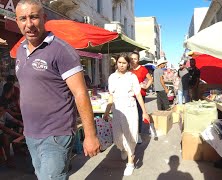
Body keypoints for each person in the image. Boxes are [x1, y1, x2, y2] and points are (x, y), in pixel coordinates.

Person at [15, 1, 100, 179]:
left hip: (55, 134)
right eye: (23, 18)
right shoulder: (21, 51)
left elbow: (80, 93)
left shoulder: (61, 50)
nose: (29, 24)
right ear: (17, 21)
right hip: (31, 133)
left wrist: (90, 135)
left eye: (34, 17)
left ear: (44, 18)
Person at [104, 53, 150, 176]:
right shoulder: (112, 77)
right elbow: (111, 95)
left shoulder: (132, 77)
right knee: (118, 137)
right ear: (116, 63)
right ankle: (123, 148)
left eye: (124, 63)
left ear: (128, 64)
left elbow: (138, 94)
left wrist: (144, 112)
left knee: (131, 134)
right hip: (117, 109)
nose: (122, 65)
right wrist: (107, 112)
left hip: (130, 108)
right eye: (120, 62)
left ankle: (131, 161)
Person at [130, 51, 153, 144]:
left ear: (138, 60)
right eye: (131, 58)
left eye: (135, 59)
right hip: (130, 96)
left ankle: (138, 134)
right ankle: (131, 133)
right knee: (131, 115)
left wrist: (146, 86)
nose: (133, 60)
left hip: (140, 95)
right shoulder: (128, 70)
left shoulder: (143, 69)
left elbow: (150, 79)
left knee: (139, 115)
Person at [0, 102, 23, 168]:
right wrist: (20, 136)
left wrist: (25, 126)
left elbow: (16, 121)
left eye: (1, 111)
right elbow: (5, 129)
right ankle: (8, 160)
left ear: (4, 110)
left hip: (1, 134)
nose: (0, 113)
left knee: (6, 137)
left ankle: (16, 152)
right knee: (6, 137)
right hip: (2, 133)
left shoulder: (5, 114)